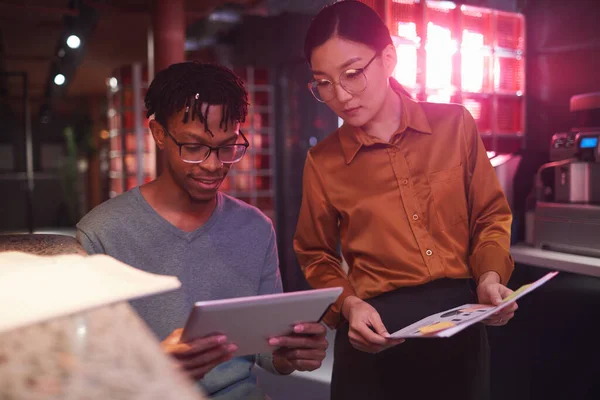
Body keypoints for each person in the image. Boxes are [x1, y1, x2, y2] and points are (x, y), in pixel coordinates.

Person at [293, 1, 518, 399]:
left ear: (389, 59)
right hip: (374, 330)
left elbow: (489, 217)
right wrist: (349, 307)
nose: (340, 95)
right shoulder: (323, 161)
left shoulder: (455, 126)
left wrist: (490, 277)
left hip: (460, 324)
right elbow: (316, 253)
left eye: (352, 74)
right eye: (323, 83)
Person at [77, 61, 328, 400]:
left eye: (228, 147)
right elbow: (81, 371)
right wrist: (151, 368)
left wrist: (288, 355)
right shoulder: (102, 233)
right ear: (159, 134)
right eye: (194, 148)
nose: (213, 165)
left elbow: (266, 353)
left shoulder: (254, 228)